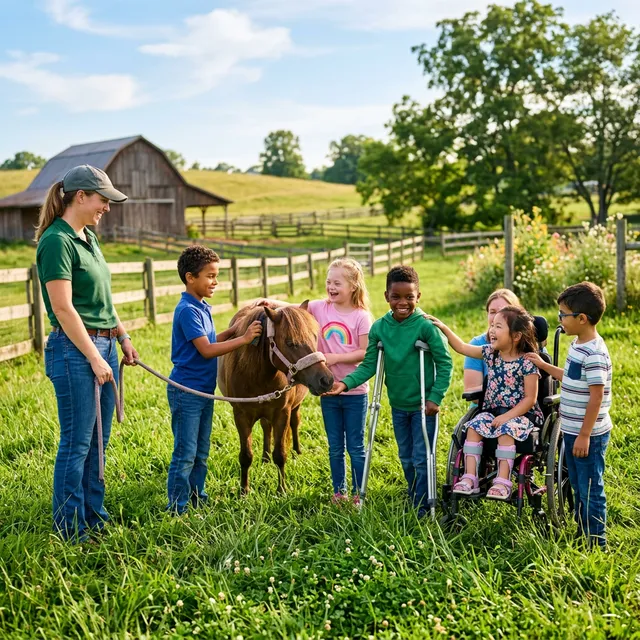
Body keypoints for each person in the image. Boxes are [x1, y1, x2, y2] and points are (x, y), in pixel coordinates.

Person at [36, 165, 139, 541]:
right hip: (74, 350)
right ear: (80, 196)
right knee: (77, 441)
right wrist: (94, 357)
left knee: (99, 440)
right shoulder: (56, 241)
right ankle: (69, 529)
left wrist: (122, 336)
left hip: (106, 344)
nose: (106, 208)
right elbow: (63, 308)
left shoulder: (88, 238)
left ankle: (95, 516)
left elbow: (102, 301)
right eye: (102, 199)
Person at [326, 266, 452, 517]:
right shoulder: (380, 328)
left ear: (419, 296)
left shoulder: (425, 326)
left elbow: (445, 362)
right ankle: (414, 492)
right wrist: (345, 384)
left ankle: (423, 505)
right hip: (398, 404)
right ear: (386, 296)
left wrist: (435, 397)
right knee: (405, 457)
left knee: (420, 456)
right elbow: (369, 365)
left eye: (409, 297)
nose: (403, 303)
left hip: (423, 405)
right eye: (396, 297)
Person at [257, 258, 372, 504]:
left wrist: (334, 358)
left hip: (355, 391)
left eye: (337, 283)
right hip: (328, 390)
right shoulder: (321, 308)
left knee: (356, 446)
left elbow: (365, 352)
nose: (330, 287)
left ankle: (359, 493)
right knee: (335, 447)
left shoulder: (362, 317)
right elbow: (294, 310)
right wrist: (273, 303)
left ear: (353, 285)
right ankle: (339, 492)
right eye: (328, 281)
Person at [167, 245, 262, 514]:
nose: (215, 282)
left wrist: (235, 330)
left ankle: (198, 496)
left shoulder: (201, 307)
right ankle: (177, 506)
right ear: (190, 278)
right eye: (210, 276)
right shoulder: (187, 310)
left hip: (202, 391)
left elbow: (210, 340)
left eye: (216, 275)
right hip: (187, 392)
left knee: (201, 451)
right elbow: (207, 350)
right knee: (185, 453)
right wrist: (243, 340)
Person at [526, 282, 612, 548]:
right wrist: (543, 365)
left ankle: (596, 540)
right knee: (576, 483)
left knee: (590, 489)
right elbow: (572, 379)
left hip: (589, 434)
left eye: (563, 314)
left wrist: (585, 436)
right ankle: (582, 529)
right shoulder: (577, 344)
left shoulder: (594, 352)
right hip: (573, 431)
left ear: (582, 318)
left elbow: (596, 397)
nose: (559, 319)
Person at [428, 306, 543, 500]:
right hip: (491, 412)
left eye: (498, 326)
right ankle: (470, 478)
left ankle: (503, 482)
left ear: (515, 336)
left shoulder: (528, 362)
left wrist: (506, 416)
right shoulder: (491, 353)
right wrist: (443, 328)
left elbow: (530, 399)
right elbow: (463, 348)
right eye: (492, 325)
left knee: (506, 431)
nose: (491, 329)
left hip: (521, 415)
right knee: (473, 427)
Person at [463, 289, 520, 393]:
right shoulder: (477, 344)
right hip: (485, 406)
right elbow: (470, 391)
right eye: (492, 312)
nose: (496, 317)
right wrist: (501, 384)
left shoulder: (530, 344)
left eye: (503, 311)